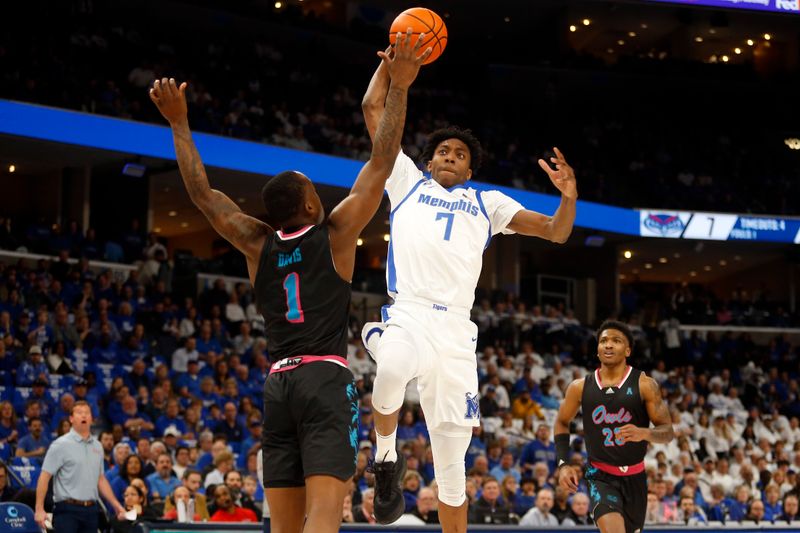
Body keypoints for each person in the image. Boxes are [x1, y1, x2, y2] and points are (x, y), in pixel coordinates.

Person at [149, 28, 430, 533]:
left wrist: (179, 123)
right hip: (324, 379)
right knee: (323, 518)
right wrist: (402, 84)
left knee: (283, 527)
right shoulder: (336, 233)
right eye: (311, 188)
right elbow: (383, 160)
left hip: (277, 384)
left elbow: (202, 194)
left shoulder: (256, 242)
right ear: (308, 205)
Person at [361, 39, 577, 531]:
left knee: (454, 471)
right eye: (443, 151)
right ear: (430, 161)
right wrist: (395, 75)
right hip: (410, 310)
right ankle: (388, 458)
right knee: (392, 369)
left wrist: (568, 197)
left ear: (470, 168)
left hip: (457, 333)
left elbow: (556, 232)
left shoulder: (487, 202)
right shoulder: (406, 182)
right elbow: (373, 108)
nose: (451, 156)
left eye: (460, 153)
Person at [554, 320, 675, 533]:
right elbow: (562, 422)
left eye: (616, 341)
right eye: (603, 341)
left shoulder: (644, 384)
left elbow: (668, 432)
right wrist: (563, 463)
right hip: (600, 476)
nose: (608, 345)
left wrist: (644, 433)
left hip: (635, 478)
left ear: (627, 350)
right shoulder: (579, 387)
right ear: (598, 349)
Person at [35, 401, 127, 532]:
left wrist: (117, 505)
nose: (83, 416)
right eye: (79, 413)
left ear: (92, 419)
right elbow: (44, 476)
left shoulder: (97, 446)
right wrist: (39, 509)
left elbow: (100, 480)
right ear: (71, 419)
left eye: (87, 413)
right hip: (67, 509)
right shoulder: (60, 445)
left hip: (91, 509)